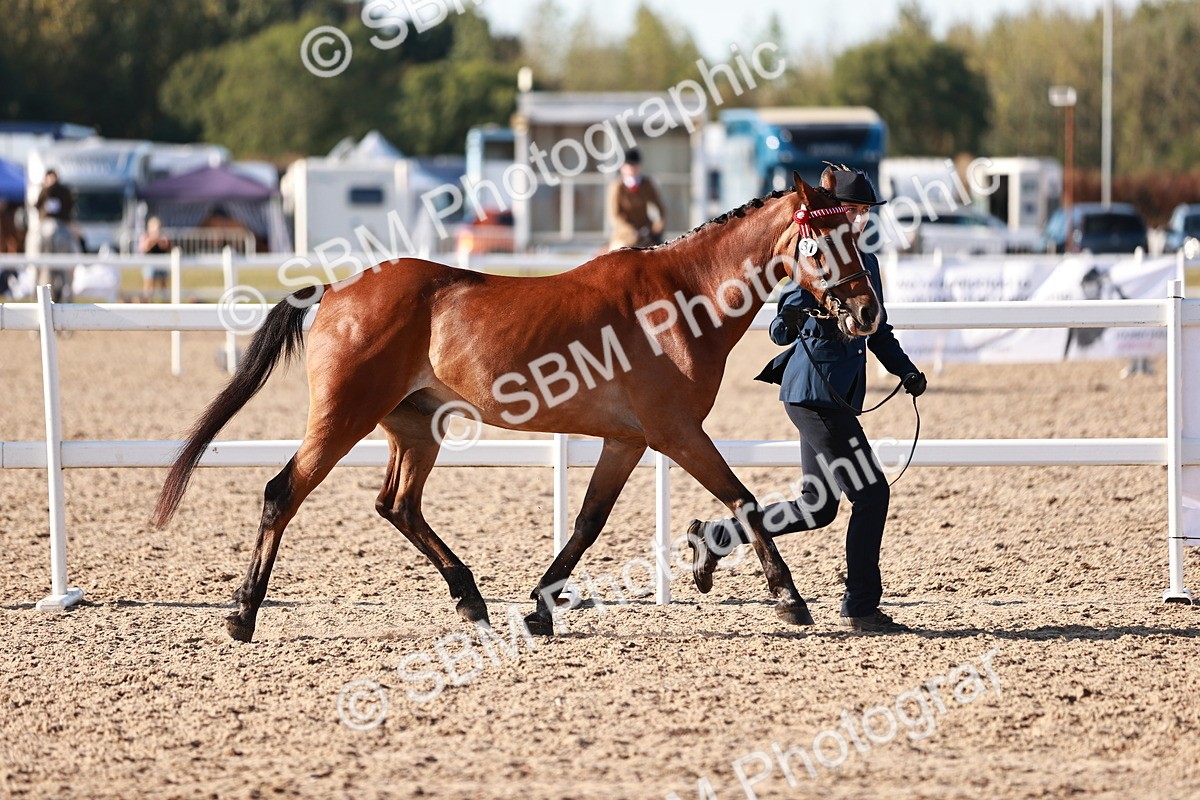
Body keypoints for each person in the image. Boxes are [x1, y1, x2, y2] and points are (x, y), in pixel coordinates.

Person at [686, 164, 927, 633]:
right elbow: (779, 329)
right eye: (854, 210)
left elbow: (876, 329)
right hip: (813, 393)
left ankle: (717, 537)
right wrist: (802, 311)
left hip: (830, 396)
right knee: (872, 494)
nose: (860, 219)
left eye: (864, 212)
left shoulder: (865, 262)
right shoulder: (817, 256)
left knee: (818, 506)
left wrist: (905, 370)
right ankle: (861, 606)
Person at [27, 169, 81, 301]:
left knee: (78, 239)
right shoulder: (50, 190)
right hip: (54, 224)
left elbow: (38, 205)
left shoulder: (53, 190)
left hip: (58, 223)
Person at [606, 148, 666, 251]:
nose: (632, 168)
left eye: (634, 165)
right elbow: (614, 215)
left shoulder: (647, 184)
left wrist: (659, 224)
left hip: (646, 232)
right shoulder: (617, 187)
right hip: (624, 235)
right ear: (623, 168)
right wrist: (630, 231)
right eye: (629, 166)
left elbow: (660, 208)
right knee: (616, 255)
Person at [139, 216, 172, 300]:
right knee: (149, 285)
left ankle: (165, 304)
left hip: (162, 263)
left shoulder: (163, 237)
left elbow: (168, 249)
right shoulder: (146, 236)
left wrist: (164, 242)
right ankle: (147, 303)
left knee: (163, 285)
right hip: (150, 264)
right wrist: (153, 240)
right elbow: (143, 248)